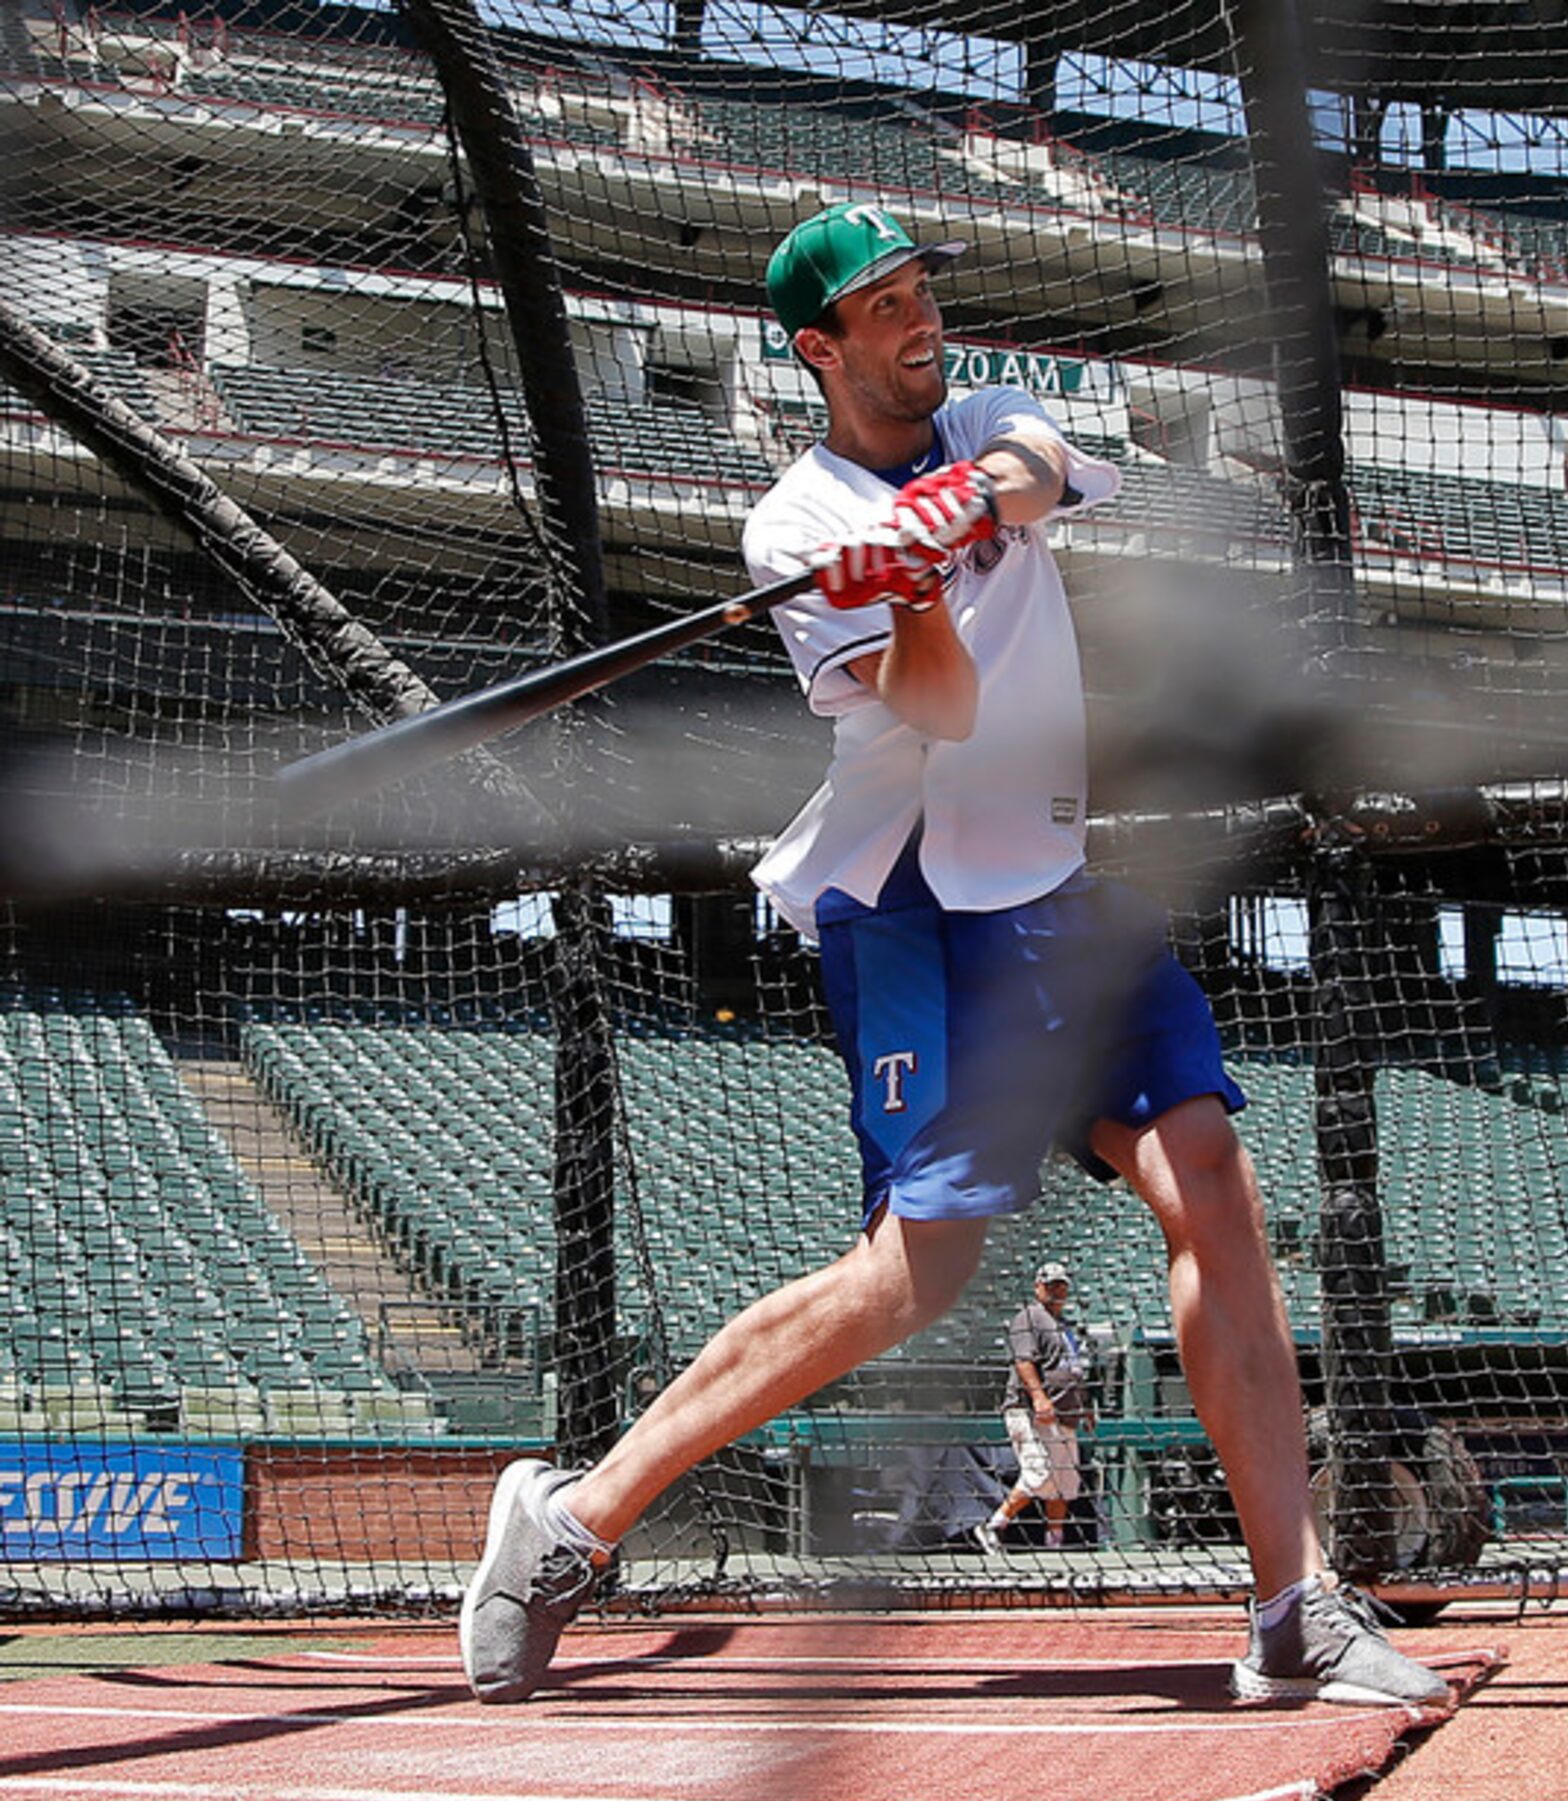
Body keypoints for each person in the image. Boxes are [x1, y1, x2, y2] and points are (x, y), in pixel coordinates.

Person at [457, 201, 1448, 1711]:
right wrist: (905, 585)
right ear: (820, 348)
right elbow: (939, 714)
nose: (922, 322)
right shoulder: (793, 530)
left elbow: (1041, 472)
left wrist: (959, 509)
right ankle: (573, 1522)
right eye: (886, 306)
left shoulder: (983, 416)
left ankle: (1289, 1606)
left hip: (1054, 887)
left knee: (1214, 1188)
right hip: (912, 906)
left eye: (924, 290)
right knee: (918, 1277)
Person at [971, 1260, 1092, 1552]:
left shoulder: (1064, 1326)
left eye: (1061, 1285)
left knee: (1064, 1483)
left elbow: (1072, 1371)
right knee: (1040, 1473)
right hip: (1029, 1410)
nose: (1057, 1291)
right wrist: (1039, 1397)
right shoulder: (1030, 1317)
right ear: (1038, 1287)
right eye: (1051, 1285)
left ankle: (1055, 1542)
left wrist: (1084, 1406)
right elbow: (1023, 1361)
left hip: (1064, 1414)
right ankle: (992, 1525)